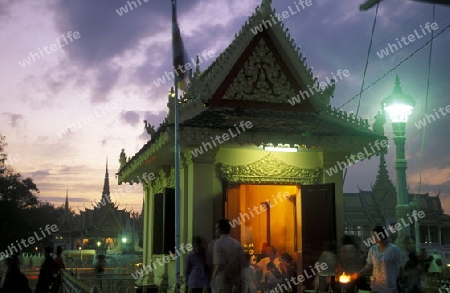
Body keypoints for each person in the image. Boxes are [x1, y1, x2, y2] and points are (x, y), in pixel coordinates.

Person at [355, 226, 408, 293]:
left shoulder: (393, 250)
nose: (372, 238)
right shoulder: (373, 249)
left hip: (390, 286)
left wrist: (401, 279)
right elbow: (369, 265)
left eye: (374, 236)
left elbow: (403, 265)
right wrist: (359, 273)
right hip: (376, 285)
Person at [211, 219, 243, 293]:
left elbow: (218, 264)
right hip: (234, 278)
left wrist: (213, 277)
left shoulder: (217, 244)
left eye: (217, 228)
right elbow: (241, 262)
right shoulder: (236, 243)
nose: (216, 231)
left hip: (221, 279)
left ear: (222, 230)